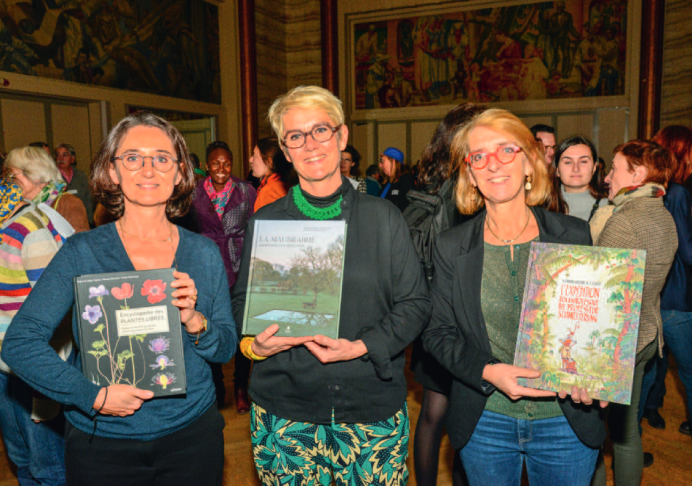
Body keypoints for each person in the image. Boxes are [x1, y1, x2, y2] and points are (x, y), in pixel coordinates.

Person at [2, 111, 238, 486]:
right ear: (113, 171)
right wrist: (92, 395)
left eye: (162, 158)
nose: (148, 169)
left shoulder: (203, 252)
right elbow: (19, 344)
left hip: (192, 437)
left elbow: (225, 348)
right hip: (104, 444)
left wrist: (195, 320)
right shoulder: (83, 252)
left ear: (179, 172)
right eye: (132, 157)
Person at [232, 85, 431, 485]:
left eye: (321, 130)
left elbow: (415, 303)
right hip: (284, 412)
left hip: (370, 408)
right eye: (295, 136)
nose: (310, 144)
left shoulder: (384, 218)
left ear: (341, 137)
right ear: (285, 152)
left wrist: (361, 346)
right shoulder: (266, 221)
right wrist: (255, 343)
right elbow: (241, 303)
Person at [422, 109, 606, 486]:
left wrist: (596, 374)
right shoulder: (450, 246)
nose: (493, 164)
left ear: (529, 163)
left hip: (564, 420)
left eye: (507, 150)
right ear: (470, 174)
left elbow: (589, 328)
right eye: (479, 156)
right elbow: (437, 333)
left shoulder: (572, 234)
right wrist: (489, 371)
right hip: (486, 419)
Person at [590, 140, 677, 486]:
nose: (608, 176)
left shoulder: (623, 222)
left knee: (594, 437)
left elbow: (599, 293)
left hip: (614, 344)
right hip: (646, 335)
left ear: (638, 174)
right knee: (627, 436)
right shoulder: (662, 214)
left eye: (614, 168)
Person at [410, 102, 485, 486]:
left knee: (435, 414)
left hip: (432, 316)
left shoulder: (427, 183)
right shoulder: (463, 190)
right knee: (456, 414)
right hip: (456, 320)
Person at [0, 179, 64, 485]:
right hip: (3, 366)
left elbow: (55, 308)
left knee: (47, 467)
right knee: (21, 459)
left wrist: (47, 380)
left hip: (30, 367)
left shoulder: (30, 228)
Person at [640, 125, 692, 463]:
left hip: (655, 295)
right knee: (686, 370)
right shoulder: (677, 194)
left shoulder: (658, 191)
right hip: (675, 297)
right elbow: (686, 252)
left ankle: (631, 427)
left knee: (648, 369)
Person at [193, 140, 256, 414]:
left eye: (226, 163)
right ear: (207, 166)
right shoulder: (192, 192)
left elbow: (255, 227)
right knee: (208, 326)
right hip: (204, 267)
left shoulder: (246, 190)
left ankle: (241, 386)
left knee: (242, 328)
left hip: (239, 265)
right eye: (216, 163)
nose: (221, 168)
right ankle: (216, 386)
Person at [5, 146, 90, 235]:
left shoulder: (69, 203)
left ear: (35, 174)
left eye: (13, 175)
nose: (9, 180)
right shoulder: (14, 205)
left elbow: (81, 246)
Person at [554, 136, 608, 221]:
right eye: (568, 162)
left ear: (594, 167)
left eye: (583, 161)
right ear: (557, 170)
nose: (576, 169)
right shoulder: (542, 206)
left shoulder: (609, 208)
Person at [54, 144, 94, 225]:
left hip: (82, 222)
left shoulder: (82, 176)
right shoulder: (52, 177)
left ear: (72, 159)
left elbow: (89, 201)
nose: (60, 158)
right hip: (61, 224)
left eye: (65, 155)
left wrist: (90, 222)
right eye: (58, 155)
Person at [249, 137, 291, 211]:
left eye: (255, 155)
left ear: (269, 162)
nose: (250, 160)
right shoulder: (283, 184)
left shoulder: (270, 191)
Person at [380, 146, 414, 211]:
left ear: (393, 161)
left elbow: (404, 208)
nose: (380, 165)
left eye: (382, 161)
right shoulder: (388, 181)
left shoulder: (406, 180)